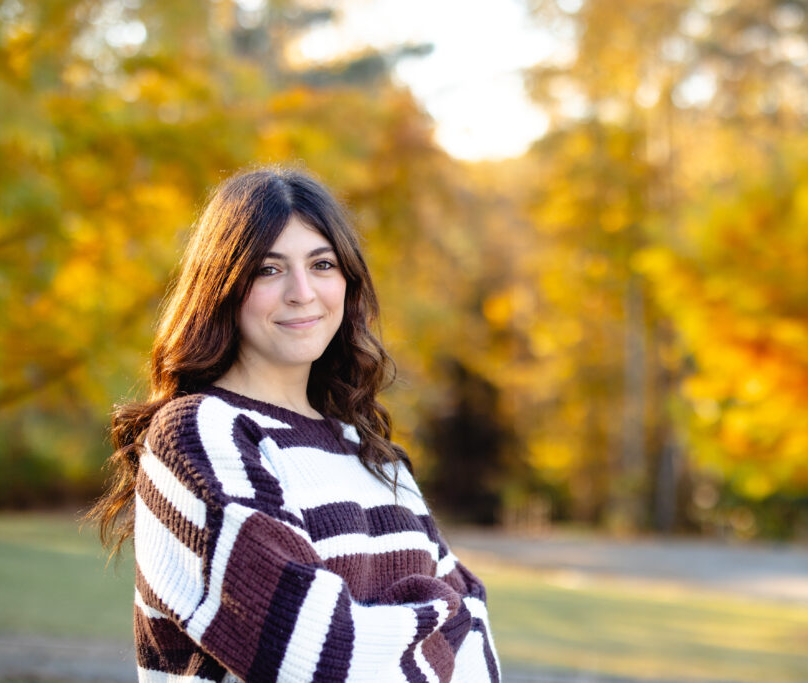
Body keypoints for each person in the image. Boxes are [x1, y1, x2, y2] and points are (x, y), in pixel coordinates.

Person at [88, 167, 500, 682]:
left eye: (322, 264)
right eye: (268, 270)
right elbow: (316, 655)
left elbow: (479, 639)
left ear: (348, 282)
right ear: (223, 286)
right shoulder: (199, 434)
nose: (302, 292)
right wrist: (441, 618)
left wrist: (421, 626)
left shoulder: (370, 453)